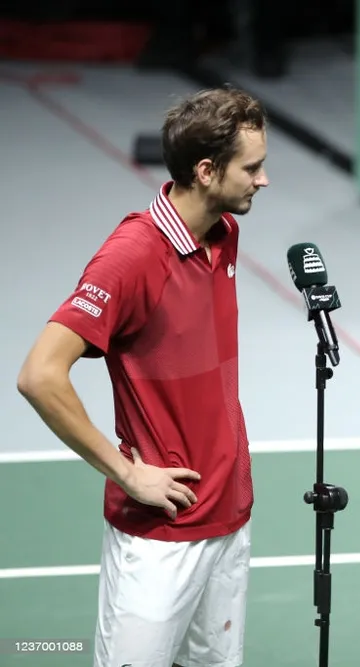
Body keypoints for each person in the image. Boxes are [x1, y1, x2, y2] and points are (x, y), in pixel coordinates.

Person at [16, 86, 269, 667]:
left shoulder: (222, 235)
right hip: (161, 535)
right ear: (206, 171)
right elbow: (40, 376)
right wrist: (128, 473)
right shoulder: (131, 257)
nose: (262, 180)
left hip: (229, 517)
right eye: (251, 168)